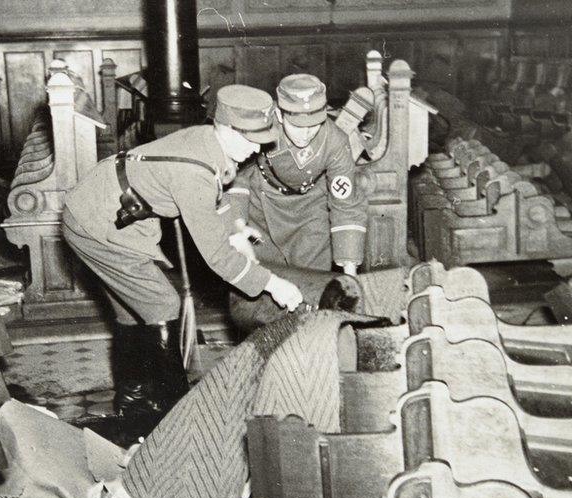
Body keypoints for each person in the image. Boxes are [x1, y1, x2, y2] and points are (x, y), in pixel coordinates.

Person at [62, 84, 304, 419]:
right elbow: (216, 256)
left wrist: (236, 228)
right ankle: (174, 410)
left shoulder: (211, 143)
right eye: (251, 138)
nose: (257, 148)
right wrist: (273, 284)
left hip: (114, 208)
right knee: (161, 303)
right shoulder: (193, 172)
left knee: (133, 309)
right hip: (97, 221)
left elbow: (216, 194)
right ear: (224, 127)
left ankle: (134, 400)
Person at [226, 73, 369, 276]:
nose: (307, 133)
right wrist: (238, 226)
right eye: (298, 125)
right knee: (260, 278)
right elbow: (237, 176)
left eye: (314, 124)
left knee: (311, 280)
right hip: (261, 209)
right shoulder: (262, 126)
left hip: (309, 209)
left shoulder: (335, 141)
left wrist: (350, 275)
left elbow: (346, 206)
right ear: (279, 116)